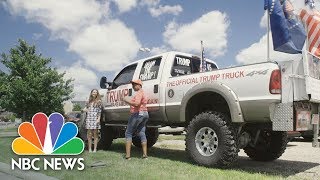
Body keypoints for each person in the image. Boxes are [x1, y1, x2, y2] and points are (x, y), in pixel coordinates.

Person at [122, 79, 149, 160]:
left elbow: (137, 104)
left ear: (139, 85)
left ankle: (128, 156)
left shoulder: (139, 93)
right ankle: (145, 155)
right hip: (145, 114)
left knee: (128, 133)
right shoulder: (143, 92)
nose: (133, 86)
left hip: (137, 114)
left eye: (134, 84)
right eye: (132, 85)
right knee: (141, 132)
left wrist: (126, 100)